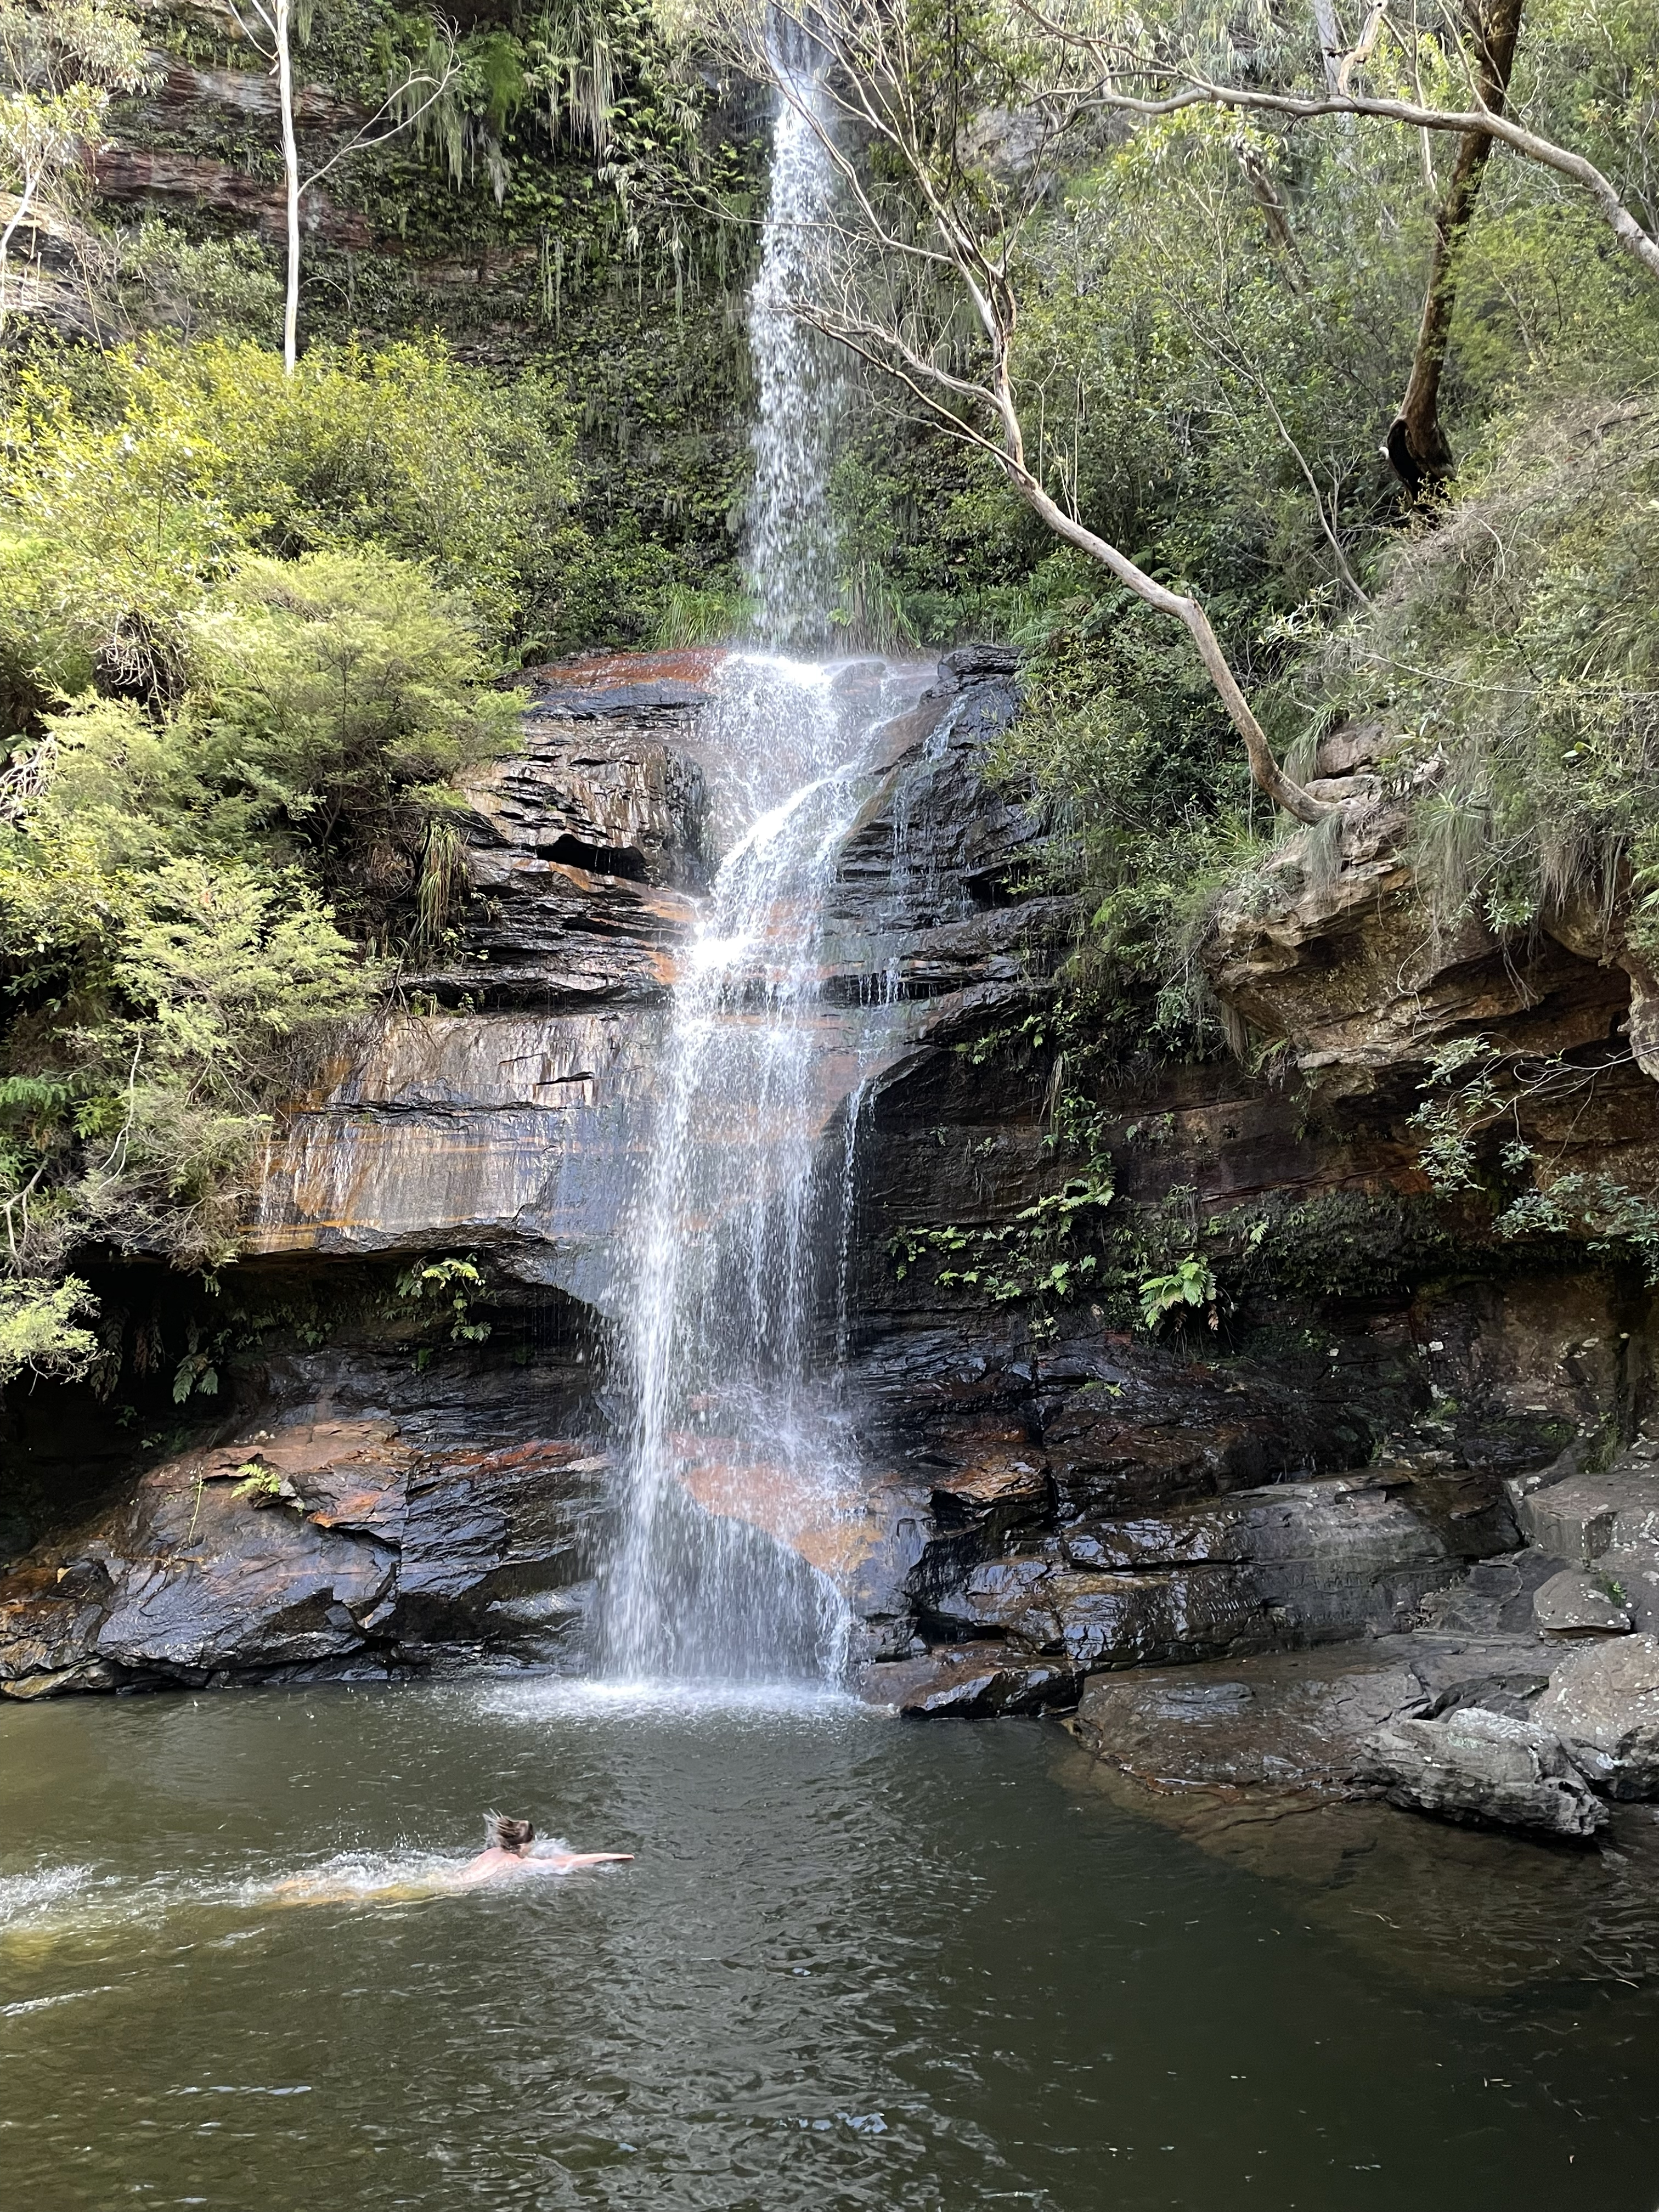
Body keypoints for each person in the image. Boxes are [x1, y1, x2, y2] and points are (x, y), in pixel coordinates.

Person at [457, 1813, 634, 1885]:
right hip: (460, 1890)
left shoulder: (491, 1852)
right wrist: (607, 1855)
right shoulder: (521, 1863)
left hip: (451, 1878)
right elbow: (565, 1862)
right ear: (524, 1845)